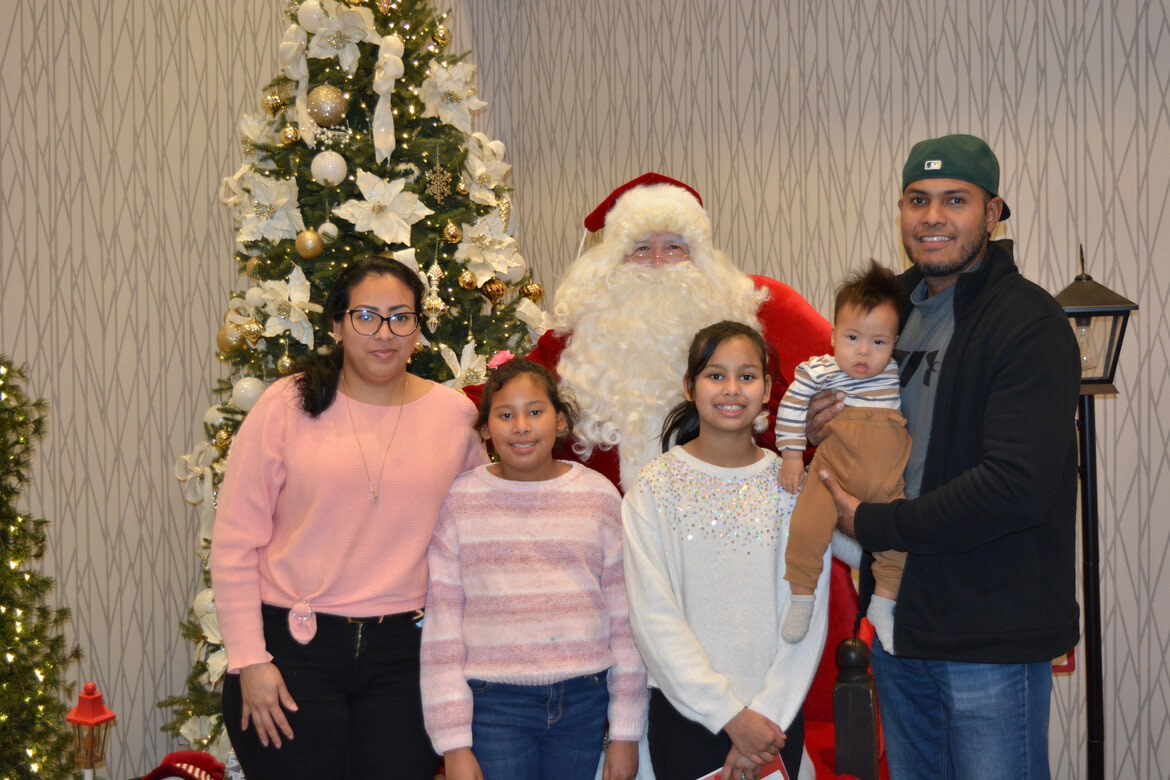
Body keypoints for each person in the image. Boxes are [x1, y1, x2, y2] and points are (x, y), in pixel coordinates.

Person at [817, 133, 1081, 778]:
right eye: (918, 199)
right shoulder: (884, 313)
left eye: (955, 200)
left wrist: (874, 525)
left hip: (989, 634)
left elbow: (1015, 486)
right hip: (897, 622)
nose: (932, 217)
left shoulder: (1029, 323)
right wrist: (826, 422)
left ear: (993, 213)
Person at [209, 256, 488, 780]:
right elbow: (234, 543)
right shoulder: (287, 404)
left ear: (418, 328)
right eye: (366, 316)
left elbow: (479, 535)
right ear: (337, 325)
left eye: (400, 317)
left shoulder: (455, 416)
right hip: (291, 655)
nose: (384, 333)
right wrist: (250, 659)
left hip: (407, 660)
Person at [508, 172, 833, 492]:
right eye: (641, 249)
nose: (658, 262)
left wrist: (805, 435)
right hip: (599, 516)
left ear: (699, 260)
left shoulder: (737, 338)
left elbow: (772, 425)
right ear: (614, 262)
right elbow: (505, 396)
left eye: (674, 247)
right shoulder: (571, 343)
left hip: (714, 512)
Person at [420, 357, 648, 780]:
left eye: (535, 412)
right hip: (493, 705)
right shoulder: (462, 501)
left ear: (560, 421)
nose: (521, 426)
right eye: (506, 415)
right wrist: (453, 744)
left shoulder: (598, 497)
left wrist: (626, 732)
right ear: (485, 429)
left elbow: (626, 620)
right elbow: (442, 628)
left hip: (584, 700)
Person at [622, 321, 830, 780]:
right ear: (689, 386)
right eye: (715, 375)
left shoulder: (793, 489)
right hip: (687, 714)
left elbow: (808, 610)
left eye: (747, 376)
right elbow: (654, 617)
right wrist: (729, 715)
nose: (732, 389)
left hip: (776, 717)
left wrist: (766, 717)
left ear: (767, 388)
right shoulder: (654, 488)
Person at [775, 260, 910, 651]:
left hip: (887, 477)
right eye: (852, 337)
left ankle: (882, 605)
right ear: (833, 335)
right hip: (831, 469)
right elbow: (791, 407)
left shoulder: (896, 373)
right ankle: (801, 598)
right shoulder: (820, 371)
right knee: (805, 528)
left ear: (894, 342)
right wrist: (792, 455)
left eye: (879, 342)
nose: (864, 351)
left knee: (899, 543)